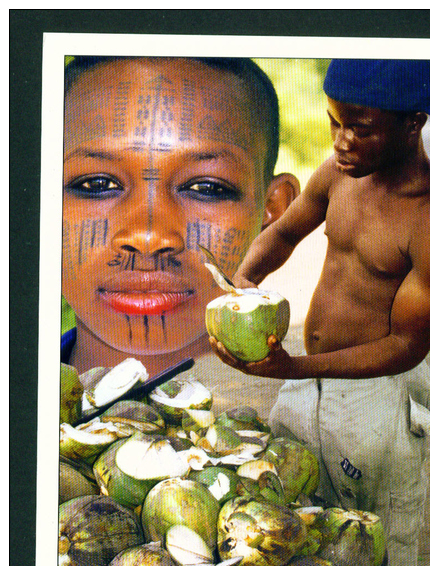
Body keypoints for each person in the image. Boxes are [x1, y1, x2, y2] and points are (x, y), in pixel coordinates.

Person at [210, 59, 430, 566]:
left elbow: (404, 347)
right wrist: (242, 283)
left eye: (363, 127)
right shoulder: (341, 171)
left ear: (412, 124)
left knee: (378, 533)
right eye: (334, 123)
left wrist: (292, 367)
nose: (343, 141)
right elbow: (281, 234)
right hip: (308, 378)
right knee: (297, 512)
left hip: (376, 395)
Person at [62, 56, 299, 376]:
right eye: (97, 184)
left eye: (205, 187)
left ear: (275, 209)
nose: (148, 237)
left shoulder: (329, 411)